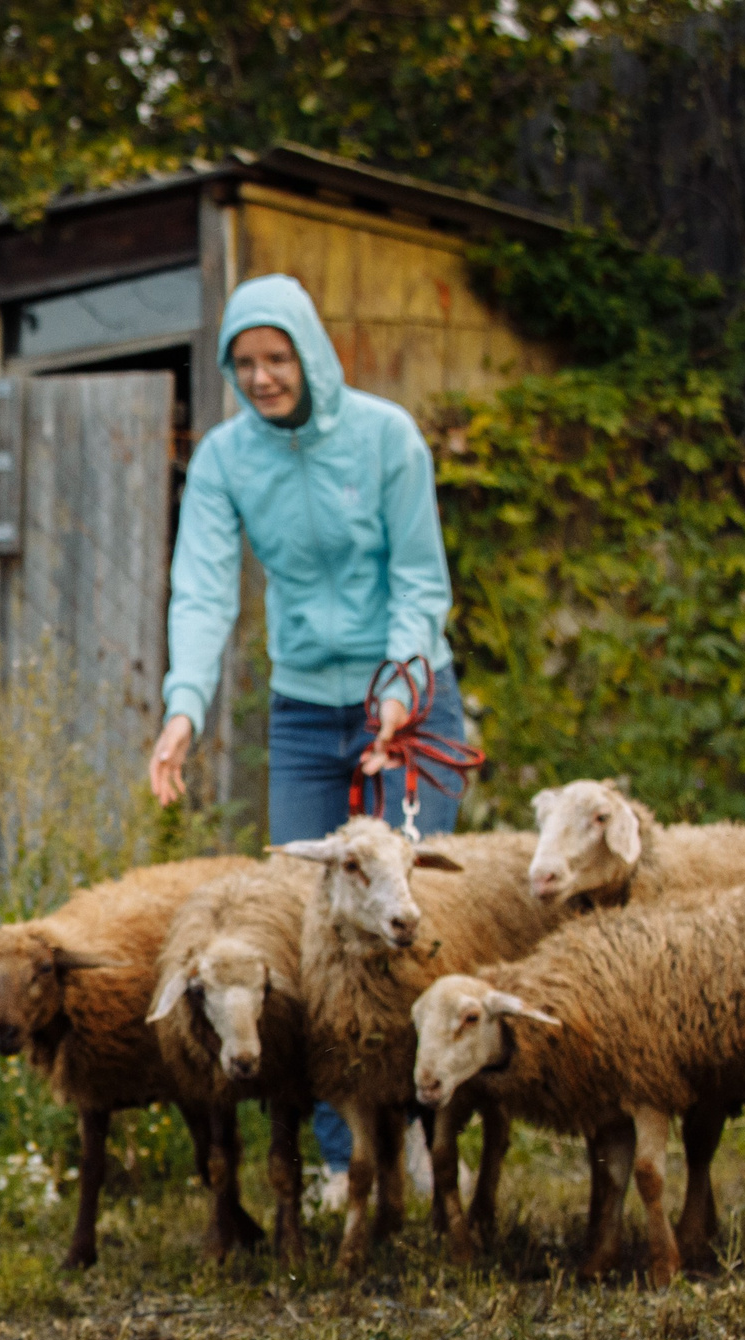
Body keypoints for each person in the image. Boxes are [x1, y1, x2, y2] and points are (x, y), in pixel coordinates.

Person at [148, 273, 468, 1209]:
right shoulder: (225, 460)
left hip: (406, 707)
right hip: (302, 712)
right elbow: (202, 589)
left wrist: (403, 690)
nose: (261, 377)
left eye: (276, 358)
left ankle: (418, 1135)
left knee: (397, 926)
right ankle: (344, 1156)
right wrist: (184, 709)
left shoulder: (384, 439)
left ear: (309, 354)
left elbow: (420, 579)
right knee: (309, 933)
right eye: (243, 363)